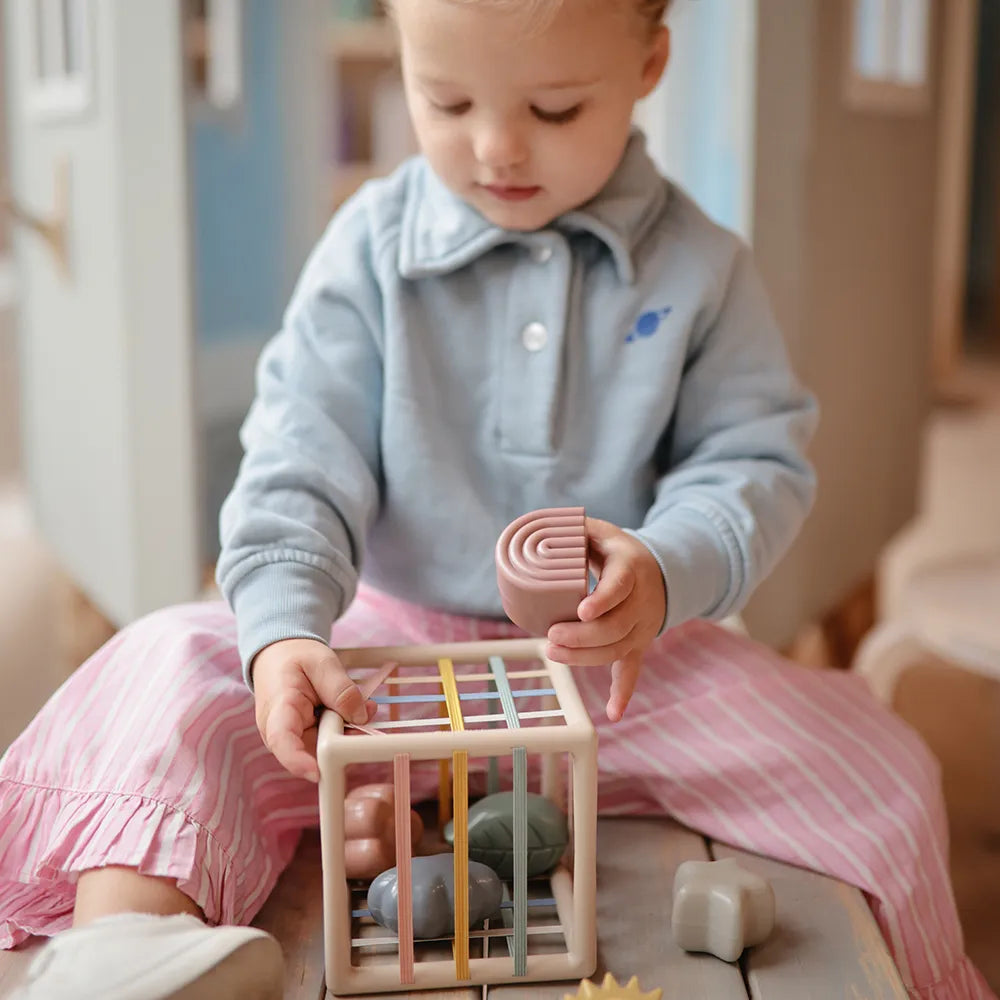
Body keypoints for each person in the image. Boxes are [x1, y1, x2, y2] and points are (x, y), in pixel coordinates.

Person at [1, 1, 992, 997]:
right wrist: (285, 629)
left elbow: (753, 464)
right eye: (446, 99)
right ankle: (128, 949)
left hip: (612, 668)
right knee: (162, 667)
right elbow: (300, 454)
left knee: (882, 762)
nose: (496, 145)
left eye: (555, 109)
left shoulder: (702, 268)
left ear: (648, 63)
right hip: (376, 656)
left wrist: (660, 567)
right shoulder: (369, 250)